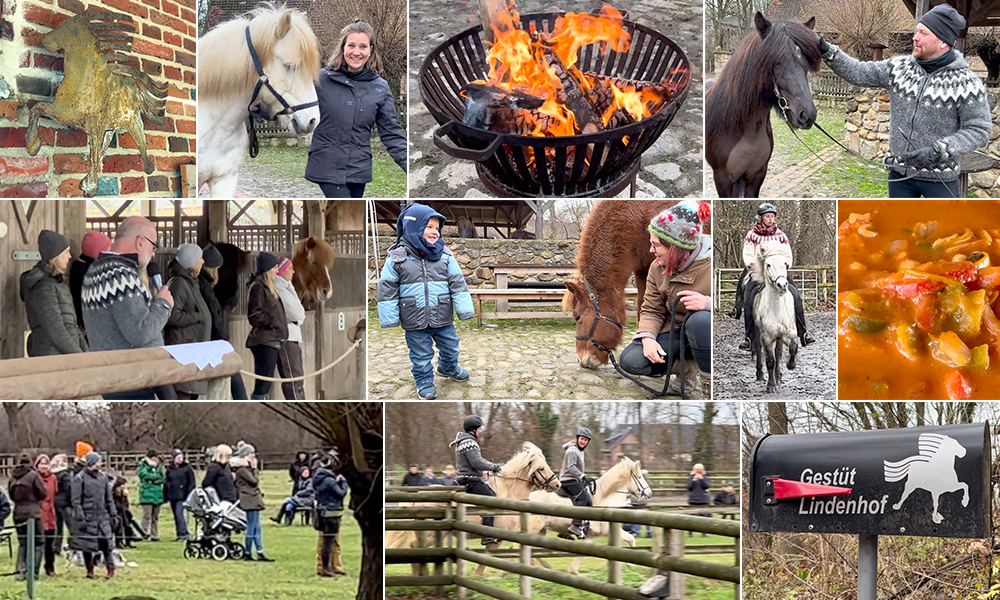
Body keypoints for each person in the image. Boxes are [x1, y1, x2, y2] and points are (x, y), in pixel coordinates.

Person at [817, 4, 991, 198]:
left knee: (943, 229)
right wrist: (827, 51)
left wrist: (940, 149)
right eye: (916, 31)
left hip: (940, 179)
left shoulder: (967, 83)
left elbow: (979, 129)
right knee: (900, 228)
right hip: (899, 176)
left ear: (943, 41)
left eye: (923, 33)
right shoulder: (899, 68)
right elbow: (859, 72)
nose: (915, 37)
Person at [377, 203, 474, 399]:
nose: (434, 232)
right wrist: (389, 317)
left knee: (451, 347)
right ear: (413, 227)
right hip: (414, 319)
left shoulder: (445, 256)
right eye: (428, 227)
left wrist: (464, 310)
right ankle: (424, 381)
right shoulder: (397, 259)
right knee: (420, 355)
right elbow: (387, 289)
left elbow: (458, 284)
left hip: (443, 316)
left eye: (437, 228)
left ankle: (447, 367)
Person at [619, 201, 712, 398]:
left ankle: (709, 384)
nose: (651, 250)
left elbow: (736, 304)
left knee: (700, 320)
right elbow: (652, 309)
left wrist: (709, 304)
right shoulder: (656, 268)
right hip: (674, 332)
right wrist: (647, 338)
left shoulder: (711, 264)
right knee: (630, 360)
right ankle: (687, 368)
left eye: (655, 245)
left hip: (706, 335)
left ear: (675, 247)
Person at [305, 19, 407, 197]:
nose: (356, 52)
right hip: (326, 164)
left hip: (358, 169)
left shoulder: (379, 87)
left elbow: (391, 131)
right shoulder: (320, 80)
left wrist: (409, 165)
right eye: (351, 46)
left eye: (363, 46)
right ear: (343, 47)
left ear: (371, 50)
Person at [81, 216, 174, 399]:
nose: (153, 253)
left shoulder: (95, 271)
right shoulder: (120, 276)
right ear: (140, 242)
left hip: (112, 377)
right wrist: (163, 304)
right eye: (153, 246)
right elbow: (140, 333)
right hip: (133, 379)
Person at [734, 203, 815, 351]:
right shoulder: (752, 235)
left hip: (777, 271)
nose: (770, 219)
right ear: (761, 218)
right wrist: (752, 265)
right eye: (767, 216)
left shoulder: (781, 235)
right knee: (748, 297)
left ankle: (803, 333)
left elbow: (787, 254)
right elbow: (747, 252)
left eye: (772, 216)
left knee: (796, 295)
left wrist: (785, 266)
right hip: (758, 270)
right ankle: (749, 337)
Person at [20, 229, 88, 357]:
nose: (70, 256)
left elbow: (72, 325)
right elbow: (56, 332)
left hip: (66, 356)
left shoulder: (58, 283)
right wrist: (80, 357)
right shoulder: (42, 288)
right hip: (51, 358)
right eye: (66, 252)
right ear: (55, 255)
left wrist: (85, 352)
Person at [198, 243, 249, 400]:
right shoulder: (205, 286)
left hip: (213, 340)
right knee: (234, 380)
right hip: (213, 342)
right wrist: (223, 339)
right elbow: (214, 314)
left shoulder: (204, 285)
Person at [164, 244, 212, 398]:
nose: (203, 262)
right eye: (199, 258)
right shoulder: (178, 283)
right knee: (183, 398)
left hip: (193, 350)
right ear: (191, 262)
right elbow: (171, 316)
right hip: (184, 350)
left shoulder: (191, 282)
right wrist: (198, 317)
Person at [450, 415, 503, 545]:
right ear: (473, 430)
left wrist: (485, 471)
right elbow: (476, 462)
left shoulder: (463, 441)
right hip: (471, 481)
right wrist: (494, 467)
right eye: (479, 429)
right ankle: (487, 534)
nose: (480, 431)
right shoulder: (470, 442)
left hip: (465, 479)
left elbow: (473, 463)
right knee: (492, 500)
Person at [246, 252, 289, 400]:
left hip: (273, 339)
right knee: (263, 382)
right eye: (275, 268)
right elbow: (254, 315)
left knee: (267, 382)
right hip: (264, 340)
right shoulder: (258, 287)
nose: (277, 271)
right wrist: (272, 321)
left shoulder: (268, 287)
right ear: (267, 269)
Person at [70, 451, 116, 579]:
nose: (100, 464)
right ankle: (90, 570)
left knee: (106, 544)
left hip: (102, 516)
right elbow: (76, 500)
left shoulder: (103, 478)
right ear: (91, 463)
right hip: (87, 516)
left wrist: (113, 514)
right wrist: (80, 517)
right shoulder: (79, 478)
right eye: (98, 461)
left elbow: (109, 498)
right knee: (87, 546)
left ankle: (110, 569)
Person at [8, 452, 46, 581]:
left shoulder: (12, 477)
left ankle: (20, 570)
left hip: (18, 512)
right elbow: (43, 493)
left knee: (23, 543)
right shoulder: (34, 476)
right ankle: (33, 572)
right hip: (33, 512)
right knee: (38, 543)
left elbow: (11, 495)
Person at [232, 443, 273, 562]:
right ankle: (248, 552)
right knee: (251, 526)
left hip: (254, 499)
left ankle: (259, 551)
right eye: (251, 454)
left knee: (257, 527)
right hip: (249, 500)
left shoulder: (246, 469)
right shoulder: (242, 470)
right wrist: (255, 469)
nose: (253, 456)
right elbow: (254, 481)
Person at [275, 256, 306, 400]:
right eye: (290, 269)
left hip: (293, 335)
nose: (293, 272)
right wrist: (298, 317)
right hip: (287, 338)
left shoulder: (287, 286)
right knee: (294, 379)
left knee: (298, 377)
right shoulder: (279, 287)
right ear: (282, 271)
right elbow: (295, 313)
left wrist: (299, 317)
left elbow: (300, 312)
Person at [312, 452, 348, 577]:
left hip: (322, 511)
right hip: (331, 512)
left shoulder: (318, 478)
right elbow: (341, 493)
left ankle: (327, 566)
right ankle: (326, 568)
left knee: (326, 540)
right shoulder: (329, 480)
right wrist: (343, 482)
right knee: (328, 541)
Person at [70, 230, 112, 332]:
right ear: (98, 253)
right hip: (90, 324)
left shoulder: (79, 266)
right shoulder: (89, 272)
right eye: (107, 250)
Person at [559, 428, 594, 540]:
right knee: (582, 499)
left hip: (575, 480)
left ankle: (583, 526)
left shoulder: (580, 451)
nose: (583, 441)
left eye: (585, 440)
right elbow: (571, 467)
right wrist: (583, 476)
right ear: (578, 438)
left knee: (588, 500)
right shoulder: (572, 451)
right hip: (568, 480)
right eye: (582, 439)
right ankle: (575, 525)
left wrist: (583, 478)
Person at [34, 455, 58, 576]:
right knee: (38, 543)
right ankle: (34, 568)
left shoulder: (53, 478)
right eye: (41, 463)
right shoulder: (34, 478)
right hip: (38, 512)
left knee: (50, 544)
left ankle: (50, 568)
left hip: (50, 513)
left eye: (46, 463)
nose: (44, 466)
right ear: (37, 465)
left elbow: (55, 494)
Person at [165, 449, 196, 541]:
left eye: (181, 457)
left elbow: (192, 482)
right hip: (173, 496)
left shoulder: (187, 468)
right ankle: (179, 533)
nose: (180, 459)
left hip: (183, 496)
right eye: (178, 457)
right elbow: (167, 482)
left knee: (180, 515)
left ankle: (184, 533)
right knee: (176, 516)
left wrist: (189, 494)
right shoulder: (170, 469)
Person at [137, 449, 165, 542]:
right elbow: (144, 475)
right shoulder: (143, 465)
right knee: (147, 516)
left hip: (157, 494)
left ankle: (155, 535)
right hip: (147, 494)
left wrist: (154, 479)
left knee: (155, 517)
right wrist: (154, 477)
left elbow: (162, 477)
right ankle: (144, 533)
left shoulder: (160, 466)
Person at [111, 477, 144, 549]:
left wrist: (124, 496)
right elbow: (117, 506)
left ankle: (132, 537)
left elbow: (126, 505)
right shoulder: (113, 494)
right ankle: (135, 535)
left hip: (124, 513)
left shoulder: (123, 494)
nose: (125, 486)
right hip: (116, 513)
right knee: (125, 519)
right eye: (123, 485)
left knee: (128, 517)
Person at [50, 454, 72, 556]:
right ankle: (71, 546)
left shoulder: (53, 474)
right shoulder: (65, 475)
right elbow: (69, 489)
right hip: (65, 503)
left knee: (58, 527)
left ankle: (56, 547)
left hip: (55, 502)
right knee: (71, 526)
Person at [686, 463, 710, 537]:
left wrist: (702, 479)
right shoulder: (691, 478)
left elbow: (706, 486)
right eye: (697, 470)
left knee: (704, 517)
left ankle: (704, 533)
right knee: (691, 517)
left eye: (700, 470)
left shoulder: (705, 478)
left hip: (703, 499)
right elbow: (688, 487)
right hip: (693, 499)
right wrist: (694, 480)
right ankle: (690, 532)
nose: (698, 471)